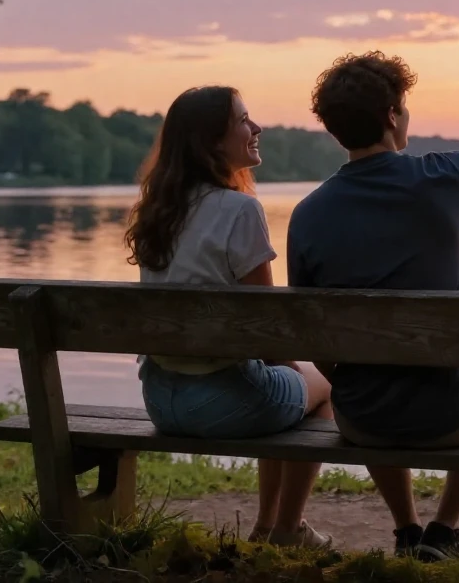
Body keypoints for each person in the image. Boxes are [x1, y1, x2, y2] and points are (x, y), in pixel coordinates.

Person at [286, 52, 459, 560]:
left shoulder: (307, 216)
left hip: (361, 417)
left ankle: (406, 531)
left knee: (368, 381)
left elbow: (313, 340)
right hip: (451, 413)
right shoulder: (449, 179)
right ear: (393, 116)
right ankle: (442, 532)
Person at [125, 85, 333, 548]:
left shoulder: (158, 212)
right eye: (243, 119)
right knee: (320, 392)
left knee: (279, 380)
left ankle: (267, 526)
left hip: (160, 398)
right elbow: (267, 326)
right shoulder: (240, 210)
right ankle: (285, 529)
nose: (256, 128)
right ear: (211, 140)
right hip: (223, 402)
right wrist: (297, 364)